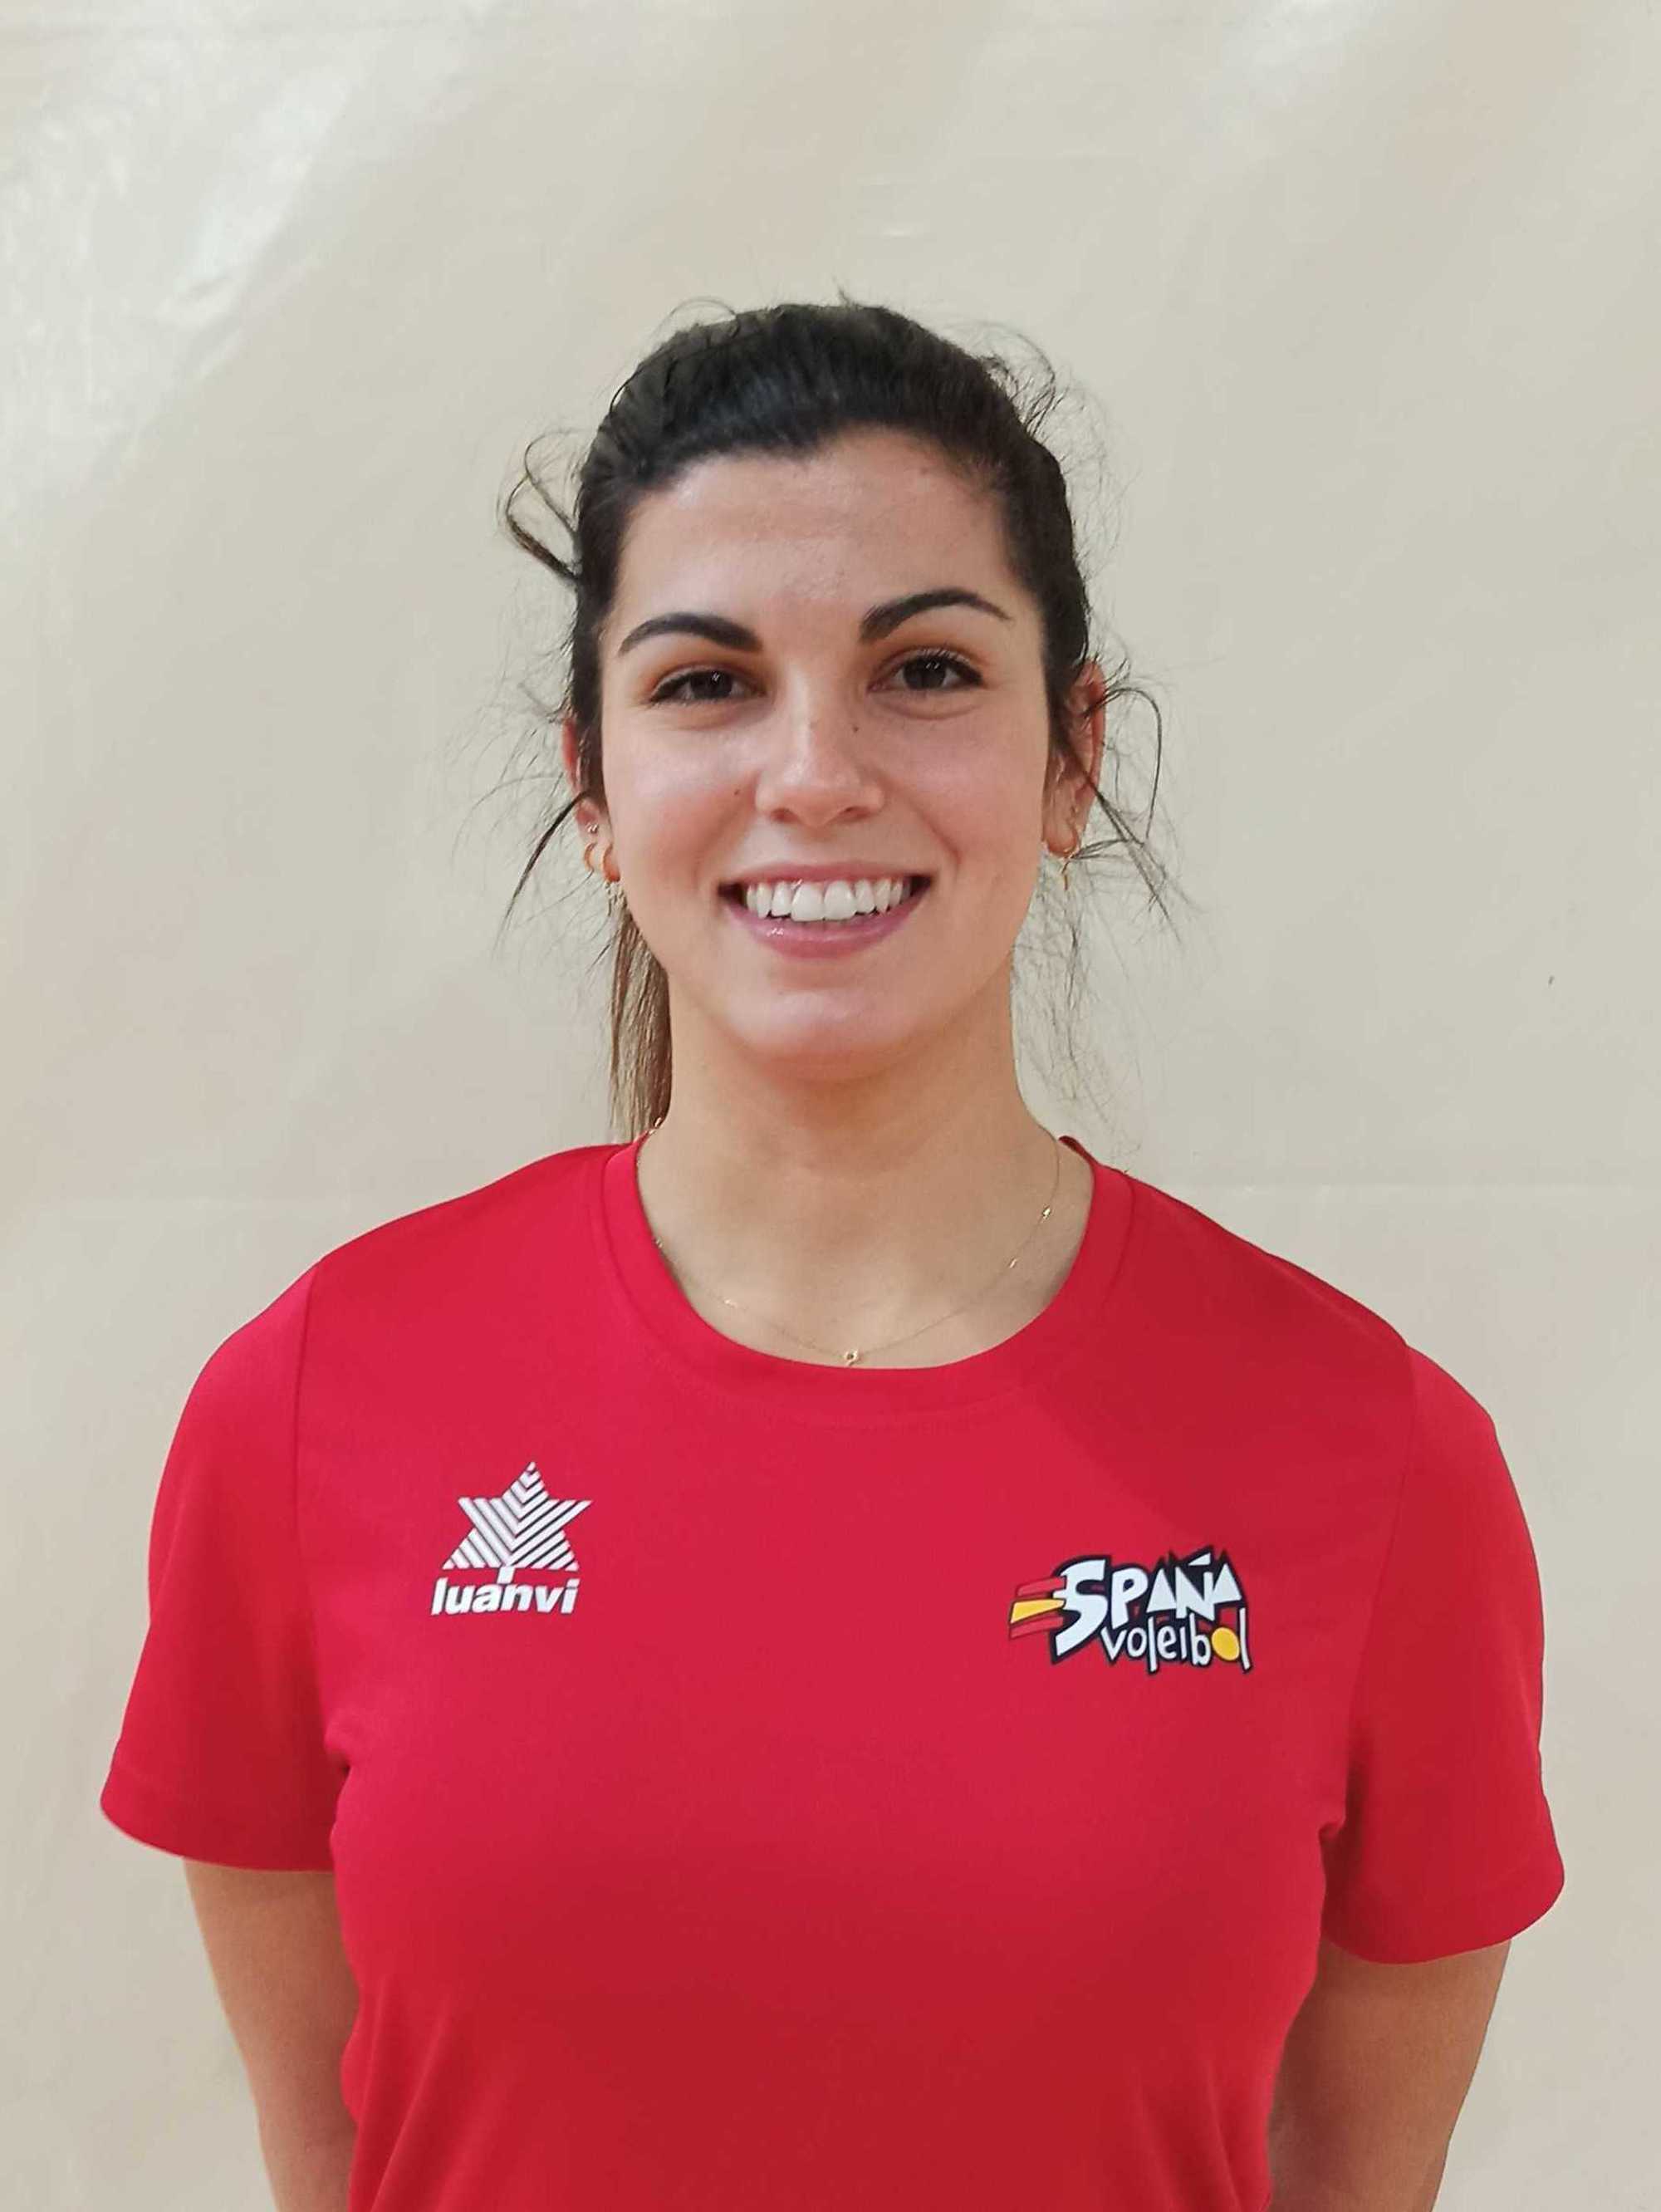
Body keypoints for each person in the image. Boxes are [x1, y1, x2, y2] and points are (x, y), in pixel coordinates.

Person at [100, 298, 1565, 2212]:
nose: (812, 774)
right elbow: (335, 2150)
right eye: (706, 682)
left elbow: (1357, 2172)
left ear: (1072, 756)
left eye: (924, 671)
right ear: (593, 781)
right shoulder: (312, 1406)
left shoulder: (1374, 1461)